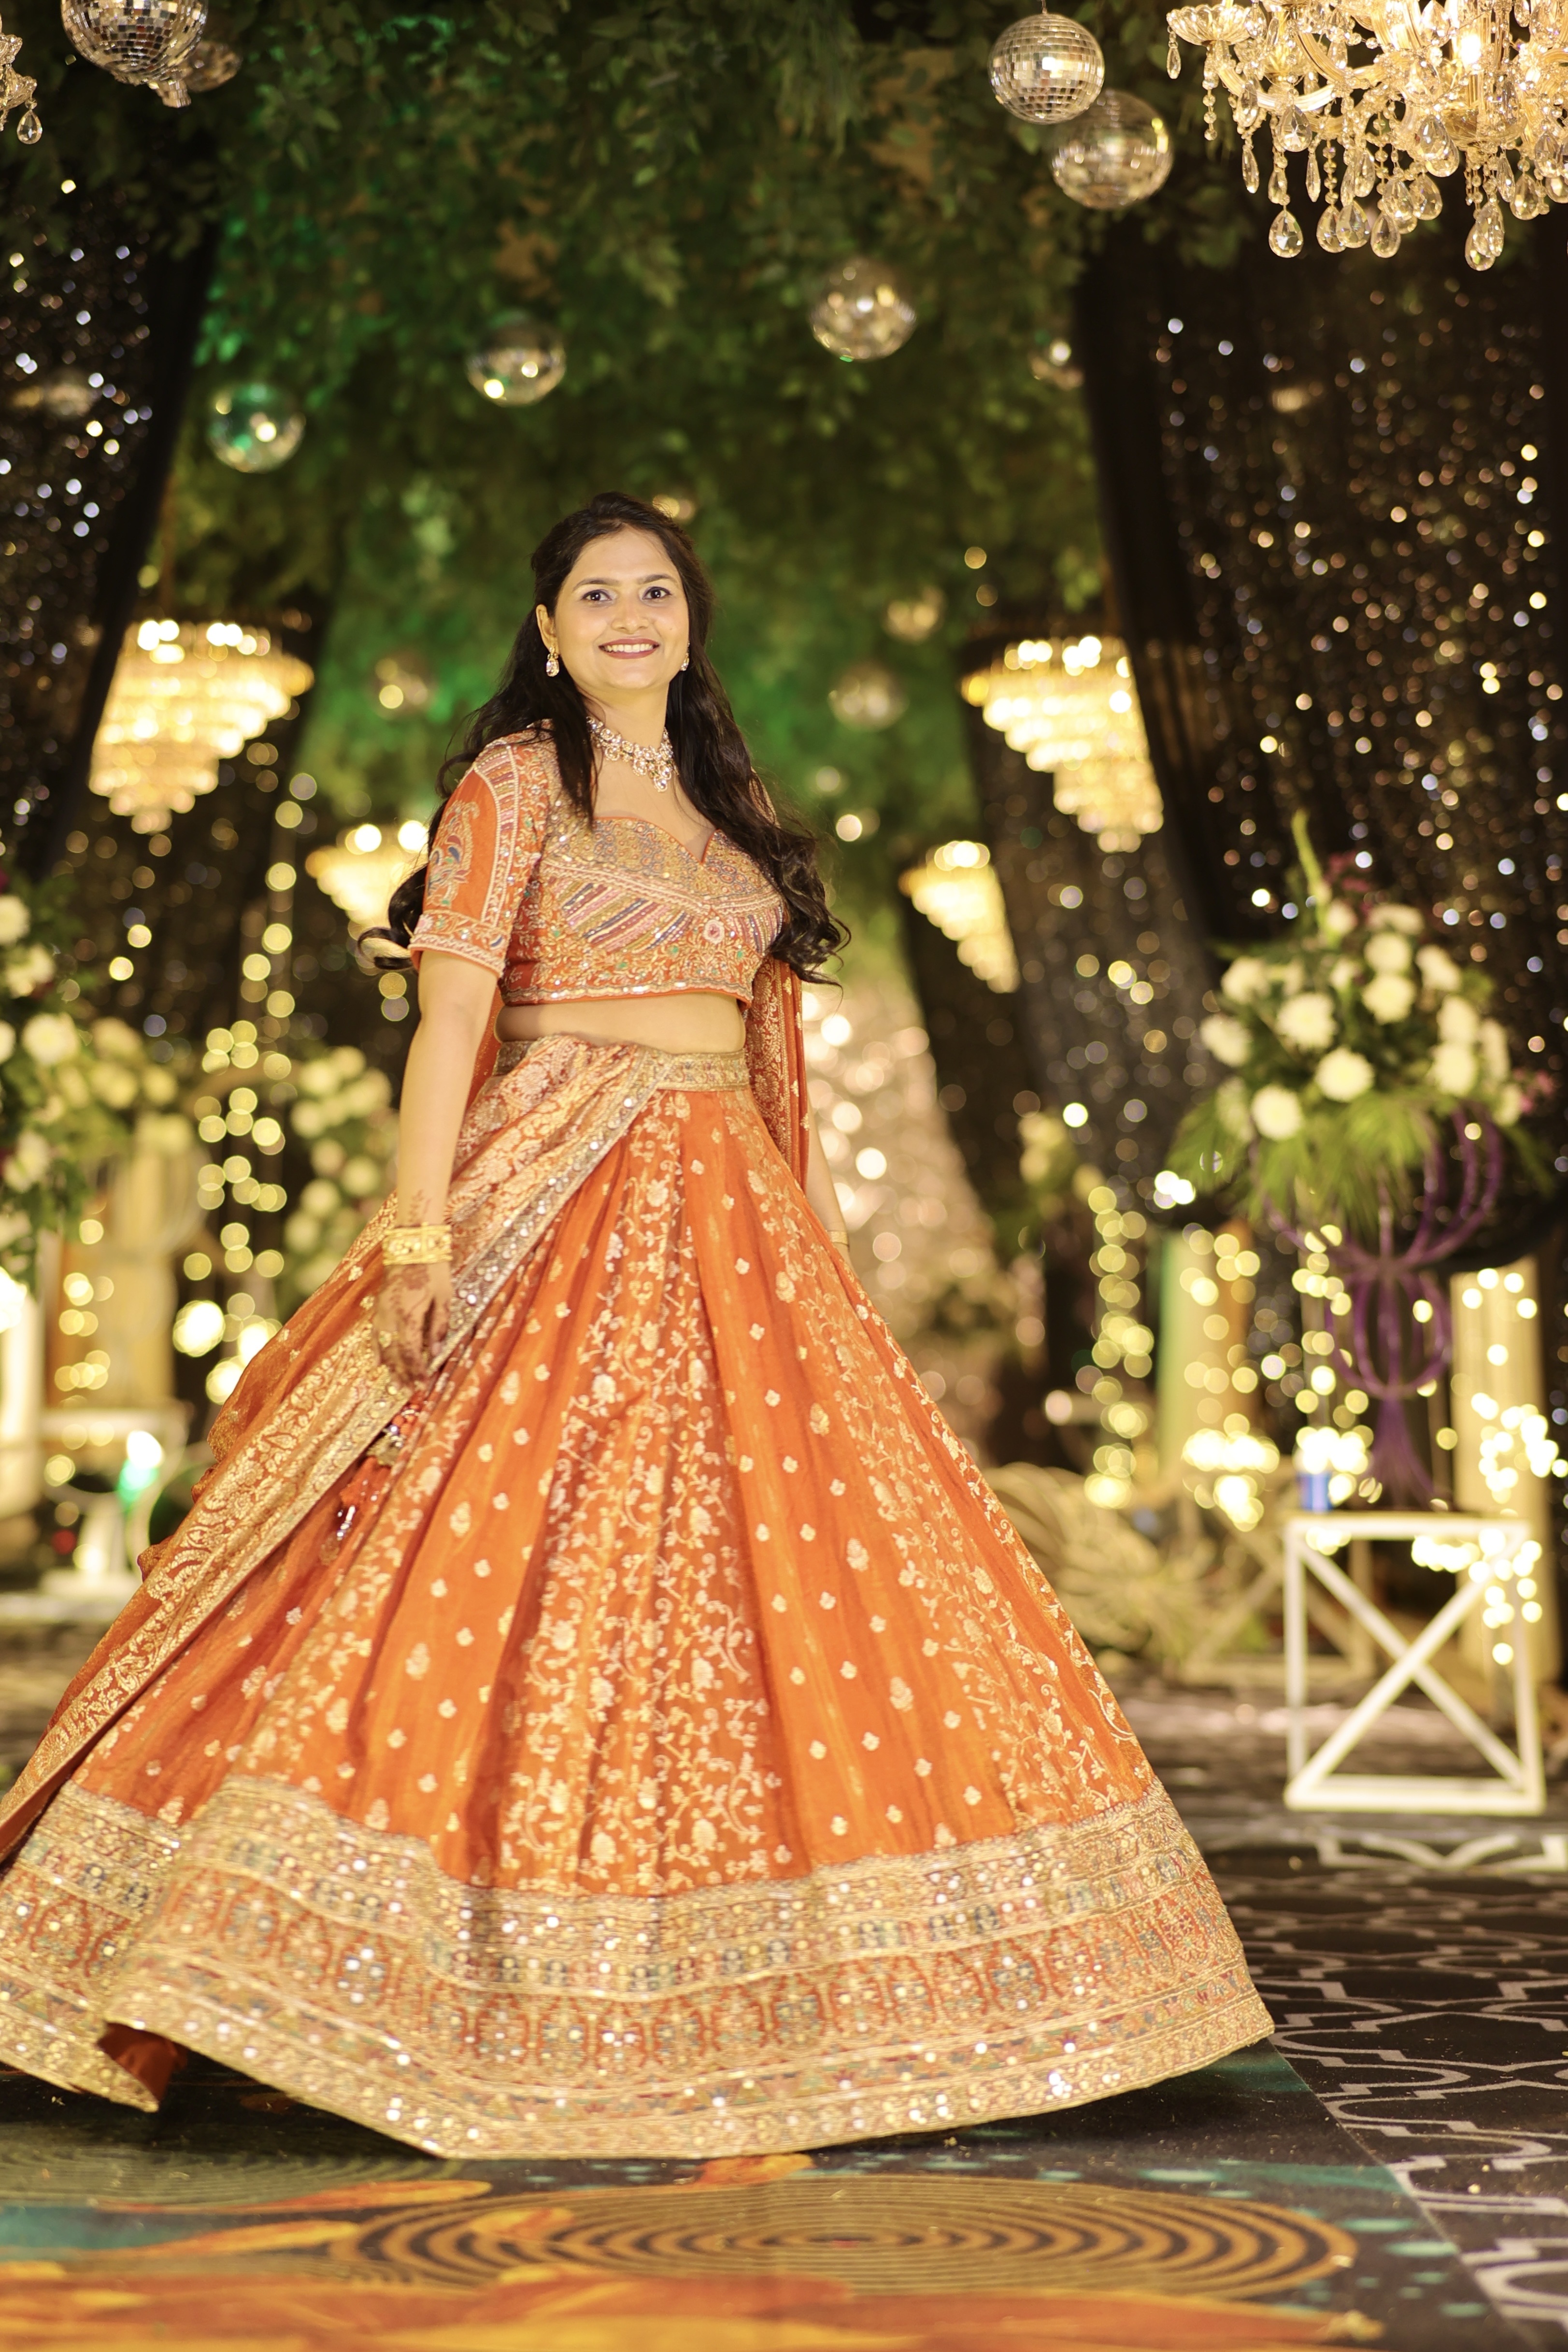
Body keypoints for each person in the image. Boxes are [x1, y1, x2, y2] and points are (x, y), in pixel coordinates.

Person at [0, 492, 1269, 2158]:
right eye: (595, 594)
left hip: (730, 1214)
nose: (627, 617)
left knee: (781, 1572)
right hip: (558, 1182)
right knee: (473, 1543)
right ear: (546, 630)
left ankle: (837, 1985)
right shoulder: (512, 788)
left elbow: (757, 1049)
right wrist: (416, 1227)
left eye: (654, 592)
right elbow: (453, 1016)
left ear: (690, 619)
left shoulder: (733, 810)